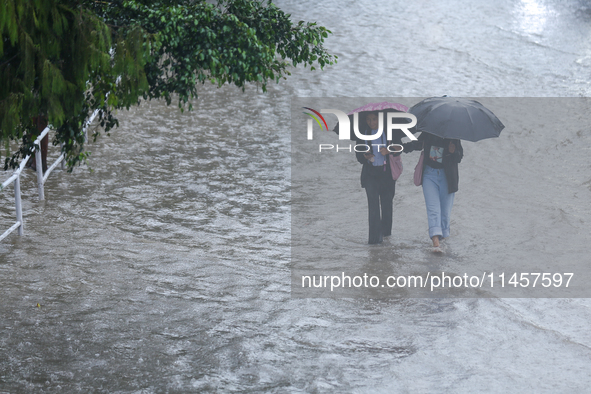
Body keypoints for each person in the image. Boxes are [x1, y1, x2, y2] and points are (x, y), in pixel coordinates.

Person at [404, 132, 463, 252]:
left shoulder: (453, 135)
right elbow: (417, 144)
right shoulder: (429, 131)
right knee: (433, 209)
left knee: (445, 213)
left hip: (448, 177)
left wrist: (453, 152)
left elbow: (459, 157)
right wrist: (400, 147)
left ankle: (444, 239)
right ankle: (435, 241)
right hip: (429, 175)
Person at [355, 112, 403, 244]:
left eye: (374, 119)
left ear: (380, 119)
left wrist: (389, 150)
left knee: (387, 207)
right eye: (369, 119)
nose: (371, 122)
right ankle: (374, 241)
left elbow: (400, 148)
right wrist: (364, 156)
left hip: (387, 174)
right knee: (373, 207)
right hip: (370, 174)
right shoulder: (363, 133)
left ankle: (387, 236)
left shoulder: (390, 132)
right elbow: (358, 156)